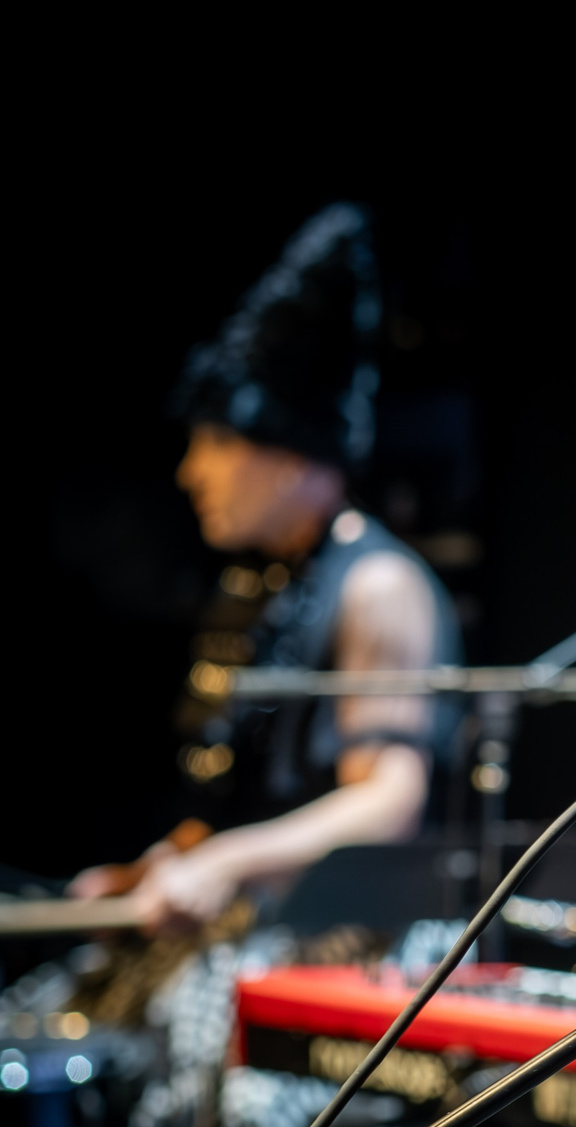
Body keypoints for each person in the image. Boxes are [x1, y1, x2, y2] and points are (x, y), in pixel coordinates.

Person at [72, 205, 459, 934]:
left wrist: (225, 863)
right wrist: (166, 867)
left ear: (289, 453)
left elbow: (389, 799)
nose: (192, 472)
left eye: (217, 443)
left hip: (329, 950)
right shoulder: (265, 580)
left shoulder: (378, 585)